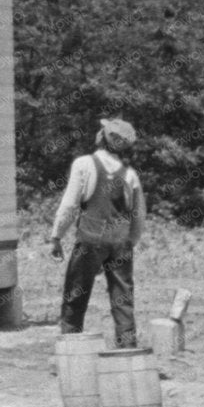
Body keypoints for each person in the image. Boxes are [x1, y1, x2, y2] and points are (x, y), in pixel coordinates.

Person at [49, 118, 147, 348]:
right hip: (120, 242)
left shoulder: (84, 164)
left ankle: (71, 352)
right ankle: (128, 352)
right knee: (122, 298)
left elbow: (70, 205)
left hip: (90, 240)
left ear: (104, 137)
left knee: (76, 295)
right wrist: (128, 242)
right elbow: (139, 216)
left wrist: (56, 236)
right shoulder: (130, 174)